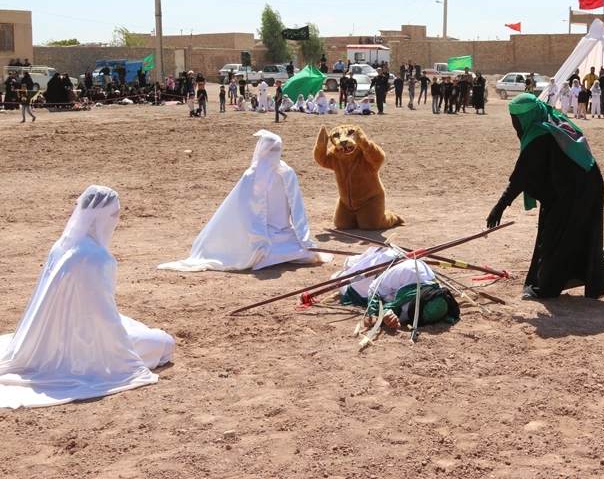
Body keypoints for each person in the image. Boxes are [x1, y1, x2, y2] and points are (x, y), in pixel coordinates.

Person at [0, 187, 174, 409]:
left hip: (47, 335)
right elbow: (103, 318)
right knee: (164, 344)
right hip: (85, 344)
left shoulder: (61, 245)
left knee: (136, 328)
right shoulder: (96, 256)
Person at [486, 94, 604, 299]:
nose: (516, 125)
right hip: (582, 182)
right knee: (572, 232)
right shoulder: (552, 119)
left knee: (556, 236)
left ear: (527, 116)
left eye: (517, 120)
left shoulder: (539, 134)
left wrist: (501, 205)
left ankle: (547, 287)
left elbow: (522, 176)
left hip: (573, 189)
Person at [159, 131, 330, 272]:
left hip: (285, 234)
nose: (274, 154)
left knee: (306, 254)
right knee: (258, 254)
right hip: (258, 235)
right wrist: (258, 238)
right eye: (271, 150)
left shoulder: (287, 173)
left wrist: (304, 239)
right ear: (262, 151)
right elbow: (241, 210)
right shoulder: (251, 175)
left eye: (277, 150)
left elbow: (298, 209)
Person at [336, 248, 460, 331]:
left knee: (352, 268)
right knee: (341, 282)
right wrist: (373, 313)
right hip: (379, 270)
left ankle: (354, 262)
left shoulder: (430, 301)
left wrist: (389, 318)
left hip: (389, 286)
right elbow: (374, 287)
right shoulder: (411, 270)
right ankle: (353, 262)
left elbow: (401, 313)